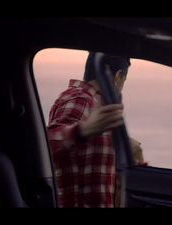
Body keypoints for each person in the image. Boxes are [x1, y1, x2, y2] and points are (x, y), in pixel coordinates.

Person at [47, 51, 131, 208]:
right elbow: (45, 145)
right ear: (117, 77)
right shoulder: (82, 99)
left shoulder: (94, 107)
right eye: (124, 80)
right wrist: (82, 131)